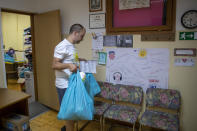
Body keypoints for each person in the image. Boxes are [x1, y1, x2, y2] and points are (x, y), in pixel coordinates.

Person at [52, 24, 86, 131]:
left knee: (72, 112)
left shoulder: (71, 45)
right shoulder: (62, 45)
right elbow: (54, 65)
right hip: (64, 85)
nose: (82, 38)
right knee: (69, 114)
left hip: (71, 83)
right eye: (81, 36)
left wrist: (79, 60)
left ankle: (67, 128)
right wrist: (68, 65)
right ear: (75, 33)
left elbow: (69, 59)